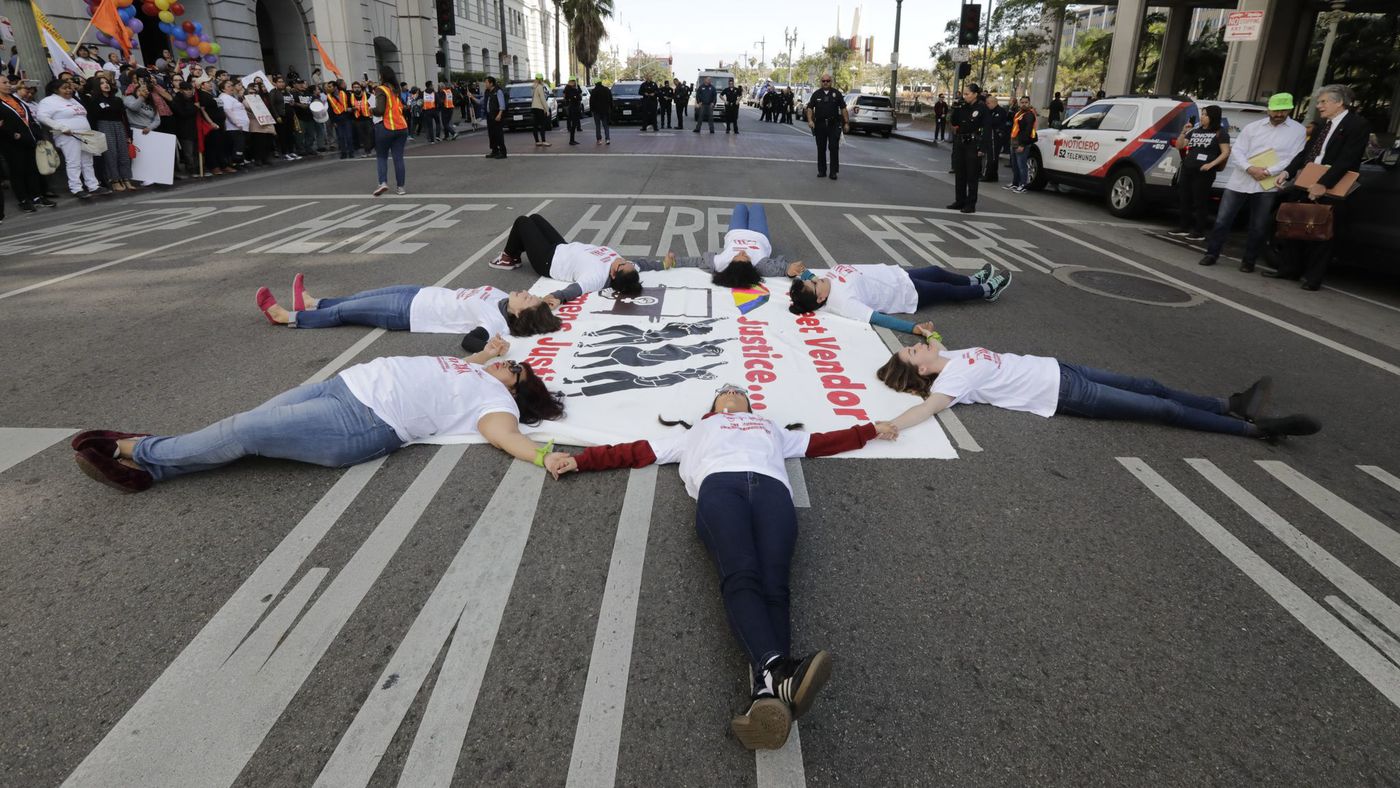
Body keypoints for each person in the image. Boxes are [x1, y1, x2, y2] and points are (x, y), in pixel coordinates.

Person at [544, 385, 895, 749]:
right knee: (741, 574)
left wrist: (869, 430)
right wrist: (582, 460)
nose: (731, 393)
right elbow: (637, 451)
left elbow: (819, 442)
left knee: (776, 585)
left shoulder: (770, 427)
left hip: (772, 491)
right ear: (712, 405)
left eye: (738, 391)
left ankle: (766, 694)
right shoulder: (694, 432)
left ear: (750, 403)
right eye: (723, 391)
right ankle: (777, 671)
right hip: (720, 488)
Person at [71, 338, 565, 494]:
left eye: (516, 370)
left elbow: (505, 438)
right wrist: (488, 355)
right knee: (244, 427)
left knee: (243, 431)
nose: (510, 363)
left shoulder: (495, 404)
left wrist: (543, 455)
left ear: (517, 392)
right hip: (341, 387)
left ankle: (132, 448)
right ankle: (152, 471)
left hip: (363, 423)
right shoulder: (474, 369)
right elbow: (477, 361)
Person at [874, 335, 1321, 442]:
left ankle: (1230, 404)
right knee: (1157, 409)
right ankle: (1254, 430)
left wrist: (922, 334)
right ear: (923, 372)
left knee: (1148, 383)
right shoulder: (949, 380)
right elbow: (928, 409)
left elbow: (930, 340)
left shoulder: (946, 354)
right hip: (1069, 396)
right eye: (911, 354)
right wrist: (892, 424)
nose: (915, 347)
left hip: (1063, 369)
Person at [1267, 84, 1371, 291]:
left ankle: (1313, 278)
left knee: (1321, 231)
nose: (1319, 106)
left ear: (1339, 102)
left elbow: (1347, 159)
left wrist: (1323, 184)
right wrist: (1287, 172)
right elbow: (1307, 152)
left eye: (1323, 101)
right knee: (1295, 224)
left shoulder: (1357, 125)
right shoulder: (1324, 124)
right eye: (1319, 102)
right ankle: (1289, 269)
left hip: (1330, 185)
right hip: (1306, 180)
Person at [254, 274, 563, 337]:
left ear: (519, 314)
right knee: (358, 297)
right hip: (420, 292)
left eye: (528, 298)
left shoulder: (494, 323)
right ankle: (311, 303)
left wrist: (492, 346)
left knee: (345, 314)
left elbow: (473, 342)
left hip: (407, 313)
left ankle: (288, 317)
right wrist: (549, 302)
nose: (525, 291)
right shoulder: (498, 294)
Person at [1198, 93, 1306, 272]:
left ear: (1290, 109)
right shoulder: (1252, 127)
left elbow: (1294, 157)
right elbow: (1238, 151)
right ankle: (1211, 253)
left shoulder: (1298, 131)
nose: (1279, 114)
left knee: (1258, 224)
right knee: (1223, 220)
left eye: (1283, 111)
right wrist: (1250, 168)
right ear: (1268, 110)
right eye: (1275, 111)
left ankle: (1249, 261)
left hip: (1268, 183)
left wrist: (1268, 172)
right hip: (1240, 179)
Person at [788, 260, 1010, 340]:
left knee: (936, 271)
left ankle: (972, 281)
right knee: (945, 290)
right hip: (905, 293)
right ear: (821, 296)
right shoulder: (844, 303)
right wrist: (914, 329)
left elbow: (810, 277)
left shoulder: (823, 284)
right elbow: (878, 318)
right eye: (813, 283)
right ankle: (988, 290)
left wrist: (799, 273)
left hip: (898, 276)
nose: (816, 278)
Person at [487, 213, 644, 298]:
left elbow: (574, 290)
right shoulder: (627, 268)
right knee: (535, 218)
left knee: (522, 221)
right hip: (562, 247)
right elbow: (643, 264)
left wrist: (555, 298)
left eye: (623, 263)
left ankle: (509, 258)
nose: (623, 260)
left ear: (614, 274)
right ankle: (519, 247)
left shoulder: (596, 277)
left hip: (548, 260)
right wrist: (665, 263)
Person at [1170, 104, 1230, 242]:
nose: (1202, 117)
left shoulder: (1220, 133)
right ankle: (1183, 227)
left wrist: (1211, 164)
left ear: (1212, 117)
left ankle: (1199, 231)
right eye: (1202, 114)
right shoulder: (1195, 131)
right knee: (1184, 198)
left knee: (1200, 201)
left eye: (1205, 114)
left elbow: (1226, 152)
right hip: (1188, 168)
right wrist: (1183, 132)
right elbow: (1180, 145)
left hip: (1204, 172)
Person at [37, 78, 102, 199]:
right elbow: (42, 116)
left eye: (69, 87)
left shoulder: (73, 100)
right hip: (68, 135)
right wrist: (60, 127)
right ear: (55, 90)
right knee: (74, 162)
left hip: (84, 134)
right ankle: (76, 188)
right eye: (64, 88)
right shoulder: (49, 101)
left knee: (87, 161)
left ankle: (93, 185)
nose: (69, 90)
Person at [0, 74, 57, 213]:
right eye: (4, 82)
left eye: (8, 82)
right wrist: (13, 134)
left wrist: (37, 134)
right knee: (18, 171)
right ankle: (23, 200)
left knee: (33, 170)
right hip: (11, 143)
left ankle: (37, 196)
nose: (8, 84)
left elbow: (29, 118)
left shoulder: (15, 99)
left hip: (29, 140)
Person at [83, 75, 135, 191]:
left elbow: (124, 118)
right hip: (104, 126)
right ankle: (115, 180)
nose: (105, 85)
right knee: (111, 154)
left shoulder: (117, 100)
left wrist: (128, 135)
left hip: (119, 126)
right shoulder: (94, 100)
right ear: (97, 86)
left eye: (106, 82)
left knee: (123, 153)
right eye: (101, 83)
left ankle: (126, 178)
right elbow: (92, 118)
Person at [948, 84, 989, 214]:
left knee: (972, 175)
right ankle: (959, 200)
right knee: (960, 173)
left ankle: (970, 204)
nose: (964, 96)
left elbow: (987, 129)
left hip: (973, 143)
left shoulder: (982, 108)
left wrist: (982, 147)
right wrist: (954, 108)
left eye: (967, 94)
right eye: (964, 94)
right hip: (961, 141)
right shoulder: (962, 107)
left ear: (975, 94)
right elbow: (954, 122)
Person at [371, 66, 409, 196]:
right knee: (398, 158)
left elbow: (380, 110)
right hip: (402, 127)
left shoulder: (381, 89)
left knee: (382, 156)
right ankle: (401, 187)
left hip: (386, 126)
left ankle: (383, 182)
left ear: (382, 75)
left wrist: (370, 109)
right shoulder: (396, 90)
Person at [805, 74, 847, 180]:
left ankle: (833, 172)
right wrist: (810, 120)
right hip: (820, 125)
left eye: (827, 81)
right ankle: (822, 171)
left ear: (831, 81)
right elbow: (810, 108)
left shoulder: (836, 94)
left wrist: (846, 122)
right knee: (821, 148)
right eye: (823, 81)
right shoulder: (816, 94)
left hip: (834, 124)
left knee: (833, 148)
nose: (825, 82)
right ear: (821, 82)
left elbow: (843, 109)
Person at [1007, 95, 1036, 193]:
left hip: (1022, 143)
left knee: (1021, 165)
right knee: (1015, 164)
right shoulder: (1019, 113)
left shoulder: (1029, 114)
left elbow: (1027, 131)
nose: (1024, 104)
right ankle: (1015, 183)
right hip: (1015, 141)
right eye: (1022, 102)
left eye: (1026, 102)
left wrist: (1022, 145)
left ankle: (1023, 184)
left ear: (1029, 103)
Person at [218, 80, 249, 168]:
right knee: (237, 145)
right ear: (223, 89)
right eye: (228, 86)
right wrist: (236, 123)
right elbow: (227, 111)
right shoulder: (225, 98)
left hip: (239, 127)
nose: (232, 87)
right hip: (234, 127)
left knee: (240, 145)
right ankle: (235, 163)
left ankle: (239, 161)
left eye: (232, 85)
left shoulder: (231, 97)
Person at [982, 95, 1008, 183]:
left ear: (994, 102)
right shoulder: (990, 111)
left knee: (991, 157)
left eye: (988, 103)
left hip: (995, 137)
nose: (987, 105)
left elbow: (994, 122)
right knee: (992, 157)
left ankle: (988, 175)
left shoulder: (1000, 111)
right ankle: (993, 175)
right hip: (990, 135)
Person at [326, 80, 355, 158]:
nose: (329, 88)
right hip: (337, 118)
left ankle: (351, 152)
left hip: (346, 117)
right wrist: (333, 121)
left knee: (349, 136)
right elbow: (330, 110)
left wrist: (351, 109)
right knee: (341, 137)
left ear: (335, 87)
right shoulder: (329, 96)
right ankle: (343, 153)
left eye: (330, 86)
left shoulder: (344, 93)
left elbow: (351, 102)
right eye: (328, 87)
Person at [484, 76, 507, 159]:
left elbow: (502, 104)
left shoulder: (498, 91)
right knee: (491, 135)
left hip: (496, 116)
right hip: (489, 116)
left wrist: (499, 114)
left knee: (498, 134)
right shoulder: (487, 92)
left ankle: (503, 152)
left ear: (491, 83)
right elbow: (482, 101)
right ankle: (494, 151)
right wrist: (472, 97)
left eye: (486, 82)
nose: (485, 84)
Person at [530, 74, 551, 146]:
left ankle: (537, 141)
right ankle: (544, 141)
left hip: (534, 107)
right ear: (541, 79)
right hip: (539, 108)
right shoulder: (540, 87)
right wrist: (547, 109)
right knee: (542, 125)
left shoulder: (533, 87)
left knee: (535, 126)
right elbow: (542, 99)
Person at [590, 79, 612, 145]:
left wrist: (592, 110)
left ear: (595, 83)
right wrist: (611, 108)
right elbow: (610, 99)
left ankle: (599, 140)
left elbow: (591, 102)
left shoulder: (594, 91)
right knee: (606, 125)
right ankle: (607, 139)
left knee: (598, 125)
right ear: (601, 82)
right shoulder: (607, 89)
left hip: (596, 111)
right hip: (605, 111)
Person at [563, 76, 583, 145]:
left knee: (573, 124)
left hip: (573, 107)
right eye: (573, 81)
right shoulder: (571, 89)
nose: (574, 82)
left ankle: (572, 140)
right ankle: (571, 140)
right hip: (573, 107)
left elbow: (578, 96)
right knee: (573, 124)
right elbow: (577, 97)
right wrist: (576, 96)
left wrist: (576, 96)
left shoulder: (573, 88)